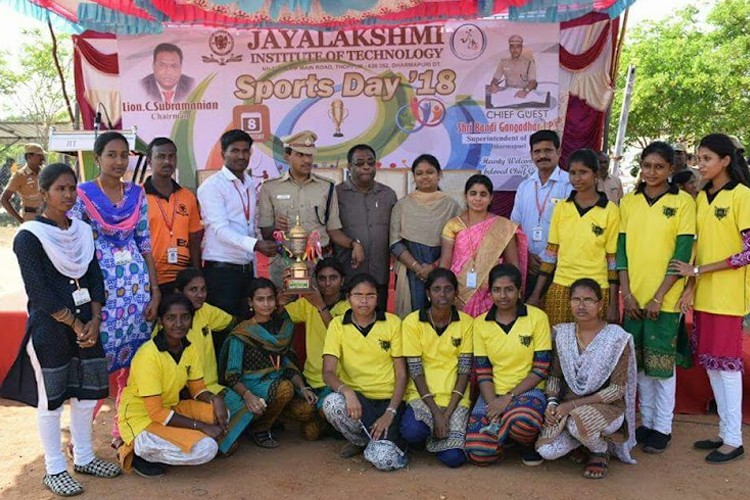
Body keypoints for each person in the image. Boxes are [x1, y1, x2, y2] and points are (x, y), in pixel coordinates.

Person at [0, 163, 121, 496]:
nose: (68, 195)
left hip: (88, 327)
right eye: (60, 189)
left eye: (72, 189)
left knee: (85, 397)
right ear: (43, 193)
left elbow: (95, 277)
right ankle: (54, 468)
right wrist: (78, 323)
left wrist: (94, 320)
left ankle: (83, 457)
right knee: (51, 401)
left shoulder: (82, 231)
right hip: (51, 329)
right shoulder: (29, 236)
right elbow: (38, 292)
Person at [70, 131, 160, 446]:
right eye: (112, 155)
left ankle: (122, 428)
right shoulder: (81, 196)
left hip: (136, 293)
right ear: (97, 158)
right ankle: (80, 440)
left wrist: (155, 289)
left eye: (124, 155)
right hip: (100, 294)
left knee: (133, 365)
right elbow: (74, 245)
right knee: (94, 365)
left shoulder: (137, 194)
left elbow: (145, 242)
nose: (119, 161)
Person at [670, 133, 750, 464]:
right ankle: (725, 431)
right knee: (714, 366)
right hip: (704, 295)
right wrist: (691, 285)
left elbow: (747, 252)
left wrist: (699, 269)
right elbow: (698, 248)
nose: (700, 165)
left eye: (706, 159)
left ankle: (734, 439)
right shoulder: (703, 197)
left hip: (728, 297)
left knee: (727, 367)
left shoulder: (743, 196)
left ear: (725, 161)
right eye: (698, 158)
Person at [617, 141, 696, 454]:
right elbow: (621, 251)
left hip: (665, 299)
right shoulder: (629, 202)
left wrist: (658, 297)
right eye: (647, 166)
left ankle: (662, 427)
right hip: (634, 298)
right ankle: (646, 422)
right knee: (639, 364)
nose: (652, 172)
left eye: (659, 167)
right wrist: (627, 294)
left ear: (670, 169)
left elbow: (681, 254)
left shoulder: (684, 203)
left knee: (661, 366)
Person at [117, 294, 229, 478]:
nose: (179, 323)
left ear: (192, 320)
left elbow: (197, 389)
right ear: (160, 321)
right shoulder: (149, 356)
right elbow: (155, 413)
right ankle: (138, 451)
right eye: (171, 318)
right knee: (207, 449)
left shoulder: (189, 348)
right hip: (141, 419)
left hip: (169, 408)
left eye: (185, 317)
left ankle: (169, 442)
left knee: (220, 412)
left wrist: (215, 399)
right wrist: (200, 426)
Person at [536, 278, 638, 479]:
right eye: (576, 299)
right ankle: (583, 442)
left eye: (588, 300)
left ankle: (600, 450)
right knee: (546, 451)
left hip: (608, 408)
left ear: (600, 304)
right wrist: (552, 403)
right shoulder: (562, 334)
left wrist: (572, 406)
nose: (581, 306)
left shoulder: (616, 338)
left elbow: (617, 390)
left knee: (578, 423)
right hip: (567, 407)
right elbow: (554, 376)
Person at [465, 264, 550, 467]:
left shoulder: (537, 318)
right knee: (478, 453)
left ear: (520, 291)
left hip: (528, 391)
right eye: (497, 290)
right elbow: (483, 372)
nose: (503, 296)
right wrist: (493, 404)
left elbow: (540, 369)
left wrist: (507, 399)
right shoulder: (480, 323)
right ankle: (504, 436)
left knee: (522, 420)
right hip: (492, 393)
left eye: (509, 289)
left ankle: (524, 443)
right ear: (490, 292)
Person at [221, 278, 321, 448]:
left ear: (276, 301)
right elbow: (231, 376)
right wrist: (249, 396)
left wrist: (303, 388)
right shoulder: (242, 332)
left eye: (270, 299)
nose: (266, 304)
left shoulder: (283, 327)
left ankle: (271, 419)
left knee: (307, 411)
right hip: (251, 387)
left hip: (280, 383)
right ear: (250, 302)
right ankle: (260, 428)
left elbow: (287, 363)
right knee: (285, 389)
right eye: (260, 299)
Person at [321, 273, 407, 470]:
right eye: (358, 295)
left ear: (378, 298)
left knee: (384, 461)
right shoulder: (337, 325)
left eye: (370, 295)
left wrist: (390, 412)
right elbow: (328, 372)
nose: (364, 301)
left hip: (388, 400)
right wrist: (348, 392)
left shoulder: (393, 323)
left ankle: (384, 444)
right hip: (358, 401)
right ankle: (361, 441)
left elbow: (402, 374)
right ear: (348, 298)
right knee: (332, 403)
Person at [529, 148, 620, 327]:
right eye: (572, 173)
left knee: (592, 346)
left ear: (596, 175)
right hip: (561, 286)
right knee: (559, 345)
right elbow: (551, 253)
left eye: (583, 172)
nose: (577, 178)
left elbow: (612, 260)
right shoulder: (562, 208)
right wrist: (536, 293)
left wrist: (613, 303)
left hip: (597, 289)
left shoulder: (610, 211)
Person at [197, 129, 277, 322]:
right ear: (223, 153)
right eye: (235, 151)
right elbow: (221, 230)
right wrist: (256, 245)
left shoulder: (249, 183)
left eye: (245, 151)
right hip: (221, 271)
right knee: (224, 327)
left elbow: (248, 225)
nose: (241, 156)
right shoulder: (211, 187)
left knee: (246, 325)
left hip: (246, 269)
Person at [258, 130, 355, 288]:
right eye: (300, 155)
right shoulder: (270, 188)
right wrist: (276, 229)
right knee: (285, 311)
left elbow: (333, 229)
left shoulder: (327, 187)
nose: (306, 160)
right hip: (285, 264)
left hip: (318, 264)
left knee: (319, 310)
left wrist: (354, 244)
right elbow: (266, 233)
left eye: (309, 155)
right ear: (287, 156)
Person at [399, 268, 472, 468]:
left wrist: (446, 414)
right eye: (437, 289)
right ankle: (431, 436)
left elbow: (464, 370)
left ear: (456, 293)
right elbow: (415, 370)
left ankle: (438, 438)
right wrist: (436, 413)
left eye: (448, 289)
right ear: (428, 293)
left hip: (455, 398)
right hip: (423, 397)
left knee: (454, 459)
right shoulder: (412, 322)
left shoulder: (466, 323)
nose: (442, 295)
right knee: (412, 432)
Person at [439, 174, 521, 316]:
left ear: (490, 198)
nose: (477, 198)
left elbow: (513, 265)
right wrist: (444, 291)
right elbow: (445, 264)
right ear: (465, 196)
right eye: (473, 193)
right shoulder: (454, 225)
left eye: (483, 194)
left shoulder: (503, 226)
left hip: (493, 292)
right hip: (459, 291)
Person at [390, 154, 461, 317]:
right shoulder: (402, 205)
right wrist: (417, 267)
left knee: (442, 316)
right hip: (410, 271)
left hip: (443, 269)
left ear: (439, 174)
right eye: (419, 173)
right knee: (413, 318)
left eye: (430, 172)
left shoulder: (452, 206)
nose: (424, 177)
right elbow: (394, 242)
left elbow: (459, 243)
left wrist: (433, 267)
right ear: (413, 176)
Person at [335, 144, 397, 312]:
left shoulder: (388, 195)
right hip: (348, 276)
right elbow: (331, 230)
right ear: (349, 166)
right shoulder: (336, 194)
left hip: (379, 276)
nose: (366, 167)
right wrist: (353, 244)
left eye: (371, 163)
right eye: (360, 163)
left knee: (380, 326)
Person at [511, 130, 572, 296]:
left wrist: (547, 257)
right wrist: (527, 256)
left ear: (558, 152)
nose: (542, 156)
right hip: (529, 266)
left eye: (548, 150)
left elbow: (571, 230)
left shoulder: (569, 185)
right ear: (531, 155)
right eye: (537, 151)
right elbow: (514, 227)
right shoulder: (525, 187)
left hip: (560, 268)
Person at [283, 258, 350, 406]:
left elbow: (339, 335)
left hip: (339, 379)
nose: (327, 283)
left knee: (328, 411)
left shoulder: (350, 306)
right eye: (322, 278)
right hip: (311, 378)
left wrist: (320, 305)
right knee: (302, 413)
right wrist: (283, 296)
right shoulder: (308, 303)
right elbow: (279, 314)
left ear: (343, 280)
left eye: (333, 278)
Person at [143, 138, 203, 292]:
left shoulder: (187, 196)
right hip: (148, 276)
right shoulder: (137, 196)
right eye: (161, 156)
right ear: (149, 161)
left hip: (181, 279)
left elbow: (194, 239)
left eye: (171, 156)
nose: (167, 161)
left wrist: (197, 276)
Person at [1, 143, 45, 223]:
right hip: (31, 218)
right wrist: (20, 219)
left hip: (47, 217)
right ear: (29, 157)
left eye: (42, 155)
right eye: (39, 155)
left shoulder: (45, 172)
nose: (43, 158)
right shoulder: (20, 175)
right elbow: (4, 199)